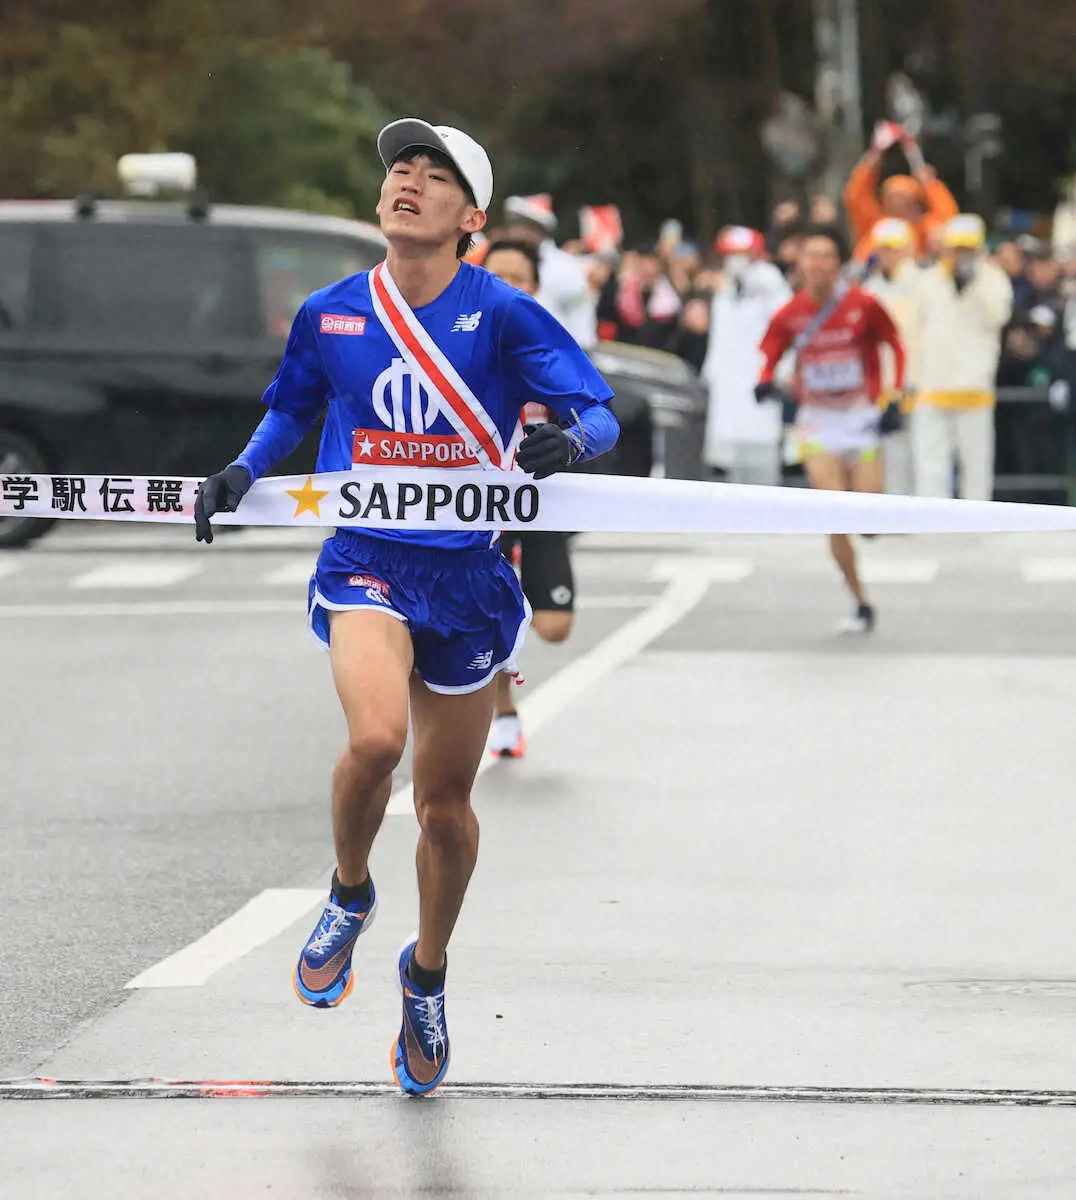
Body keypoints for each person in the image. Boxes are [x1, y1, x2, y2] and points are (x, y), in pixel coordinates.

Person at [192, 119, 619, 1095]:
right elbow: (290, 408)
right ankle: (348, 892)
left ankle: (424, 974)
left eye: (433, 175)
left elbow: (595, 409)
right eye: (398, 168)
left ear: (470, 216)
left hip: (467, 579)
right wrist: (241, 471)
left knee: (445, 806)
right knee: (375, 741)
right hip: (365, 561)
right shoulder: (333, 311)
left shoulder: (503, 315)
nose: (407, 183)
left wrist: (571, 444)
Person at [756, 228, 906, 634]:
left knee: (870, 522)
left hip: (860, 418)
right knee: (833, 511)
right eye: (811, 256)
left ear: (837, 265)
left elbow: (895, 343)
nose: (819, 264)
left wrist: (892, 397)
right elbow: (771, 349)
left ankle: (868, 529)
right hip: (819, 421)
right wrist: (765, 379)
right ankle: (860, 600)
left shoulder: (863, 304)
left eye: (827, 256)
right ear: (799, 264)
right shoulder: (790, 313)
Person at [480, 237, 579, 758]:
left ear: (535, 288)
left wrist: (570, 441)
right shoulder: (460, 341)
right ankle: (503, 712)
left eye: (520, 277)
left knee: (555, 627)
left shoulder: (550, 344)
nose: (509, 285)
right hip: (479, 504)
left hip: (541, 500)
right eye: (499, 275)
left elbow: (589, 408)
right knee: (490, 616)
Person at [911, 214, 1013, 501]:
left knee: (977, 462)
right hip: (933, 385)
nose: (961, 255)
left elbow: (999, 315)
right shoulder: (929, 280)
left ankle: (976, 524)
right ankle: (931, 523)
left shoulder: (992, 279)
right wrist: (911, 377)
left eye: (967, 248)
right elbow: (914, 331)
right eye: (956, 248)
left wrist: (974, 282)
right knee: (930, 462)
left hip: (974, 387)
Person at [701, 226, 791, 485]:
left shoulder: (772, 286)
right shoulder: (726, 290)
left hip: (759, 385)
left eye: (739, 253)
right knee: (732, 468)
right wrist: (711, 372)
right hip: (728, 388)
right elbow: (719, 338)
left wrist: (780, 373)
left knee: (762, 466)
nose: (733, 260)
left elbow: (785, 332)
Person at [859, 218, 923, 494]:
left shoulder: (922, 284)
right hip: (882, 383)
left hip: (916, 382)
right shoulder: (871, 288)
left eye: (894, 249)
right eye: (883, 249)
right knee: (886, 452)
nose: (888, 256)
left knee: (920, 453)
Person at [844, 121, 958, 262]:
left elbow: (948, 219)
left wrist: (929, 183)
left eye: (906, 200)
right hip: (875, 280)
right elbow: (856, 198)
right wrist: (873, 157)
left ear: (917, 203)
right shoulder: (875, 225)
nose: (899, 205)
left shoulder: (924, 228)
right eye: (893, 199)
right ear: (885, 203)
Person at [503, 193, 598, 348]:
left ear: (540, 231)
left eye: (525, 226)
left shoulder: (566, 268)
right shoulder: (505, 258)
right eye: (516, 224)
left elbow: (581, 320)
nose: (517, 231)